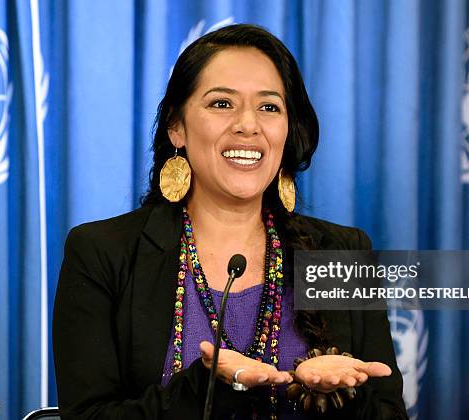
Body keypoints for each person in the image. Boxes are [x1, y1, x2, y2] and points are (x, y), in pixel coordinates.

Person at [53, 24, 408, 419]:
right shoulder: (104, 252)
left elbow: (388, 412)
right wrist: (209, 387)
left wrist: (339, 394)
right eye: (222, 103)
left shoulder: (340, 253)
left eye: (269, 107)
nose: (248, 125)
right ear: (176, 127)